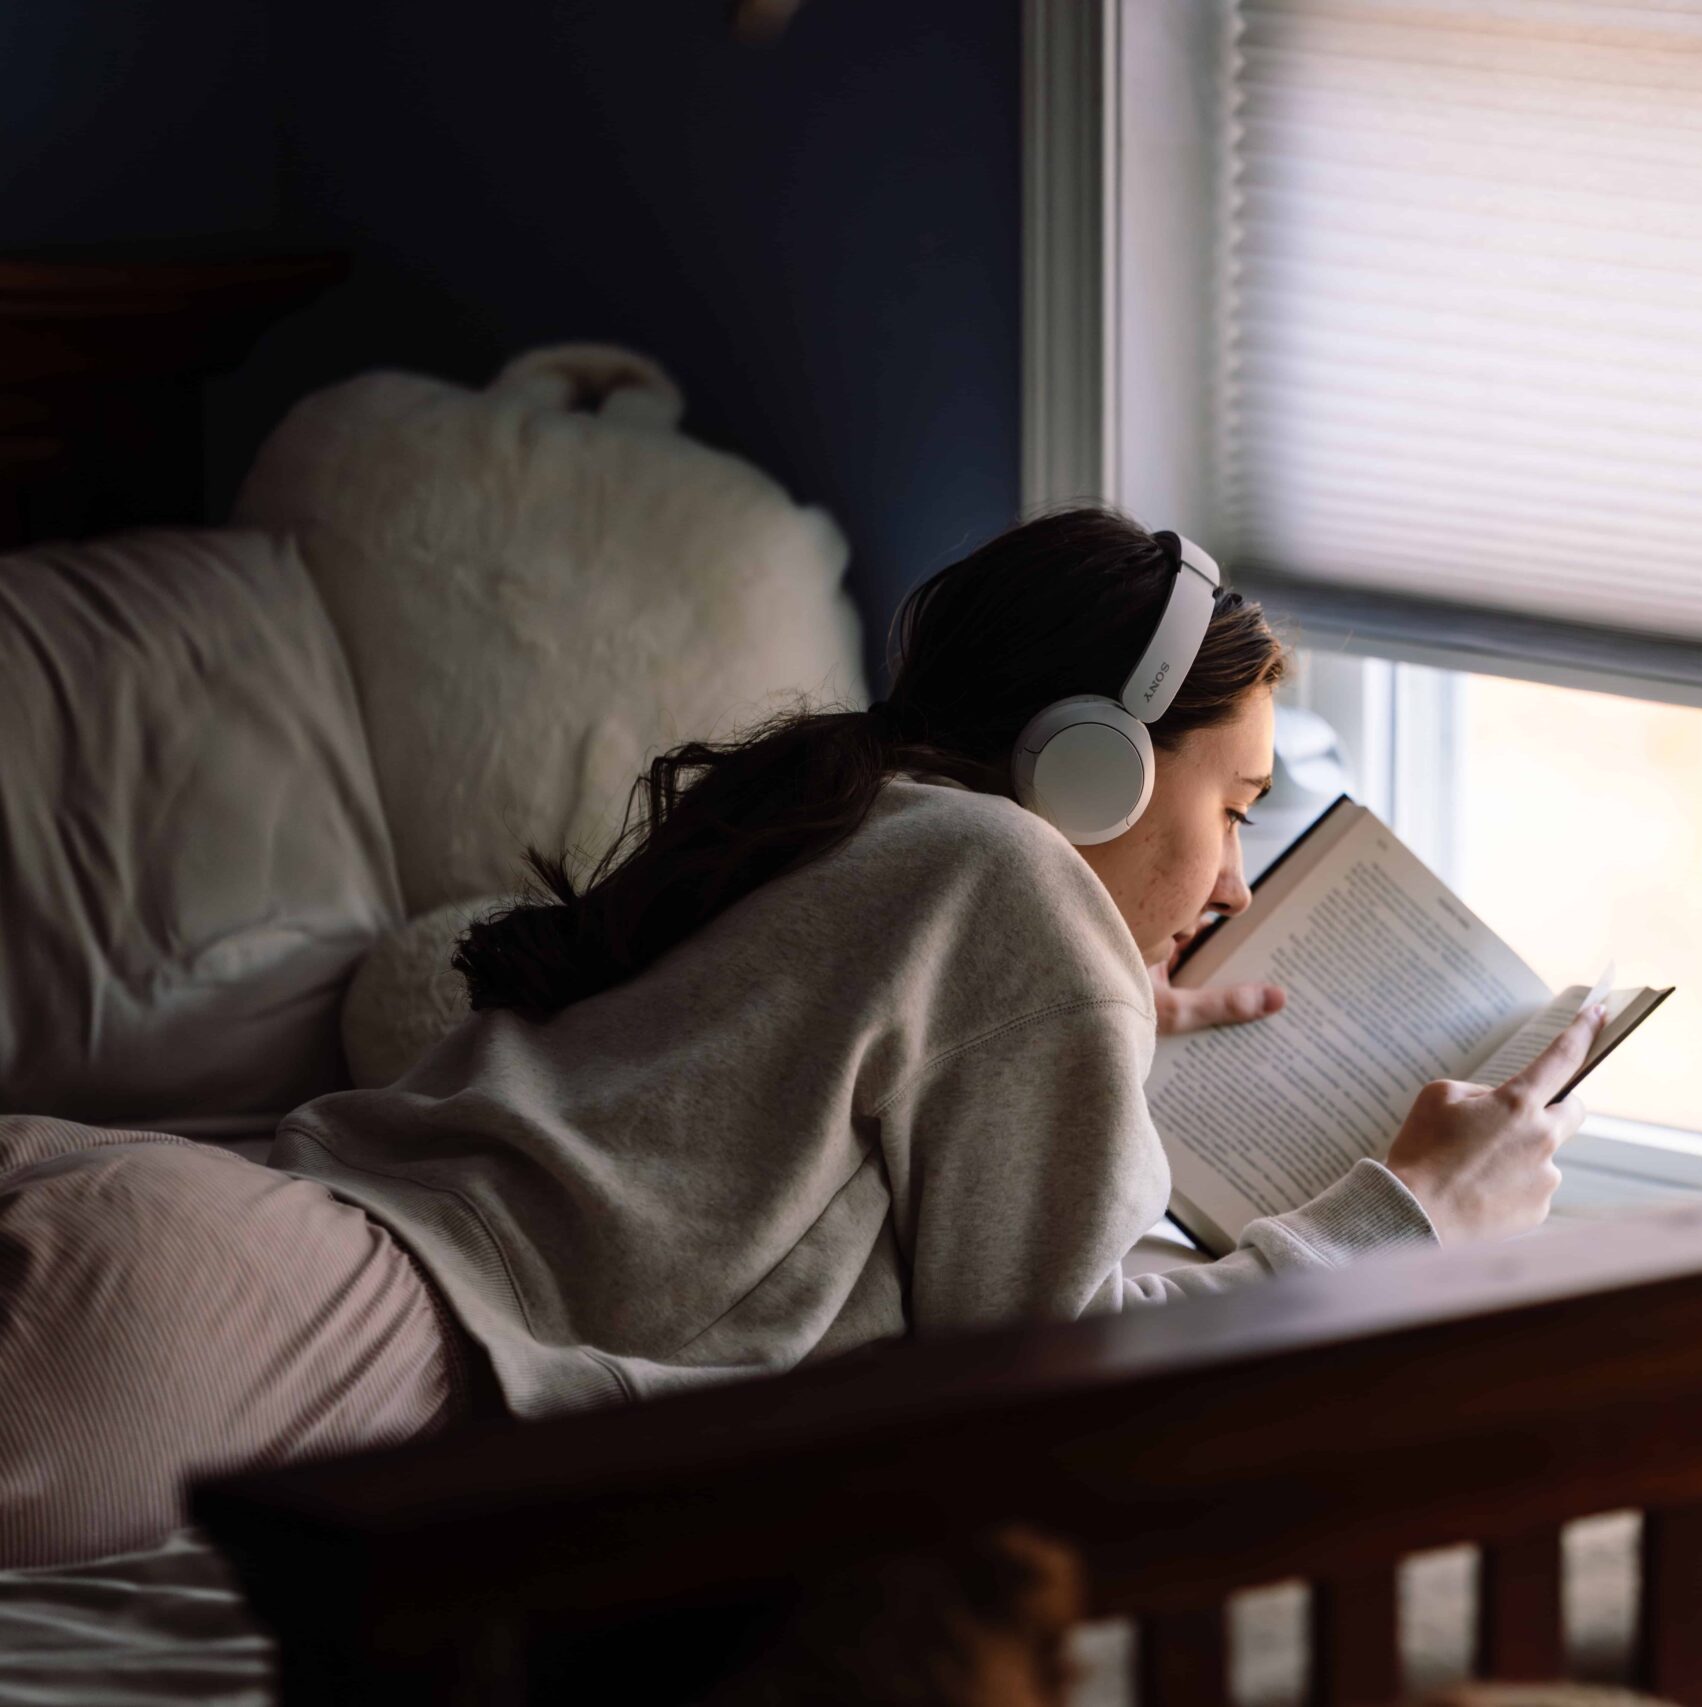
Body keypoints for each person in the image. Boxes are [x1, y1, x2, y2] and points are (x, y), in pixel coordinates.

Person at [0, 506, 1594, 1569]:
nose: (1239, 878)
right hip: (304, 1329)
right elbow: (1061, 1390)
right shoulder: (1010, 874)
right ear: (1096, 771)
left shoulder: (858, 832)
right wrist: (1416, 1214)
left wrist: (1101, 1042)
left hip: (191, 1227)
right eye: (1233, 808)